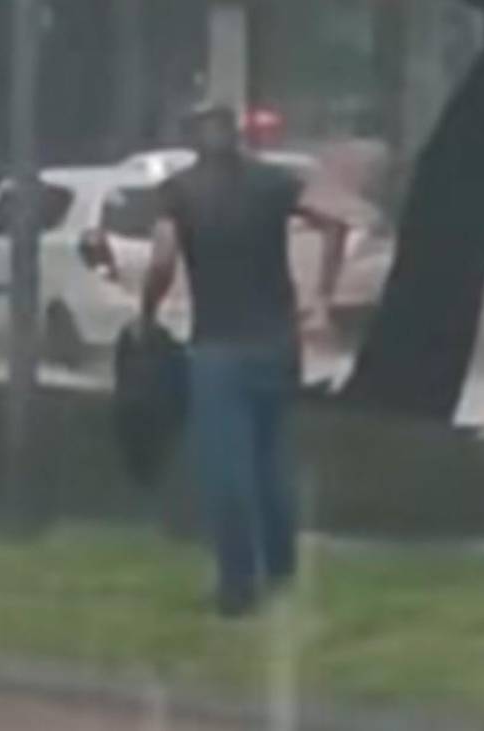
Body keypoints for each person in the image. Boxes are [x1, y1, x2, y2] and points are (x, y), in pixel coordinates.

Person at [140, 102, 349, 617]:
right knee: (273, 461)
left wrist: (146, 313)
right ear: (237, 136)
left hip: (218, 345)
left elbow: (163, 260)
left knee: (226, 469)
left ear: (192, 138)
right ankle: (281, 572)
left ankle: (237, 586)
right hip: (278, 343)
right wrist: (321, 298)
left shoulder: (180, 192)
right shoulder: (272, 184)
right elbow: (336, 225)